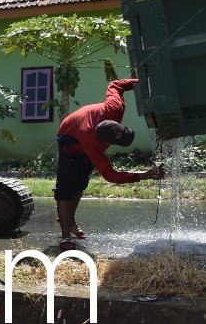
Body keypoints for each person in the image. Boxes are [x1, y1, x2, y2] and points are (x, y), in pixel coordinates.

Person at [54, 77, 163, 249]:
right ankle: (65, 236)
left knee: (80, 184)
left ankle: (69, 219)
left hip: (87, 134)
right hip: (70, 141)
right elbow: (110, 175)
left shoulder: (115, 107)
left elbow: (116, 84)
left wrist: (142, 80)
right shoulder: (91, 143)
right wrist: (144, 175)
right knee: (64, 190)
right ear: (103, 142)